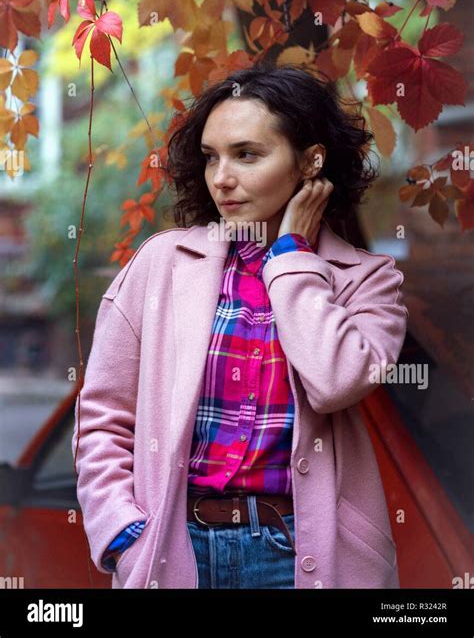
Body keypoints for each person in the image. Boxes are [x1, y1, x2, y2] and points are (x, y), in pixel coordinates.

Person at [72, 62, 409, 589]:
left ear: (309, 161)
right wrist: (121, 533)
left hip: (300, 552)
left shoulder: (367, 281)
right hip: (171, 549)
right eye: (211, 157)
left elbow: (335, 381)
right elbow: (103, 417)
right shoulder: (162, 263)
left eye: (246, 154)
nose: (221, 178)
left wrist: (292, 255)